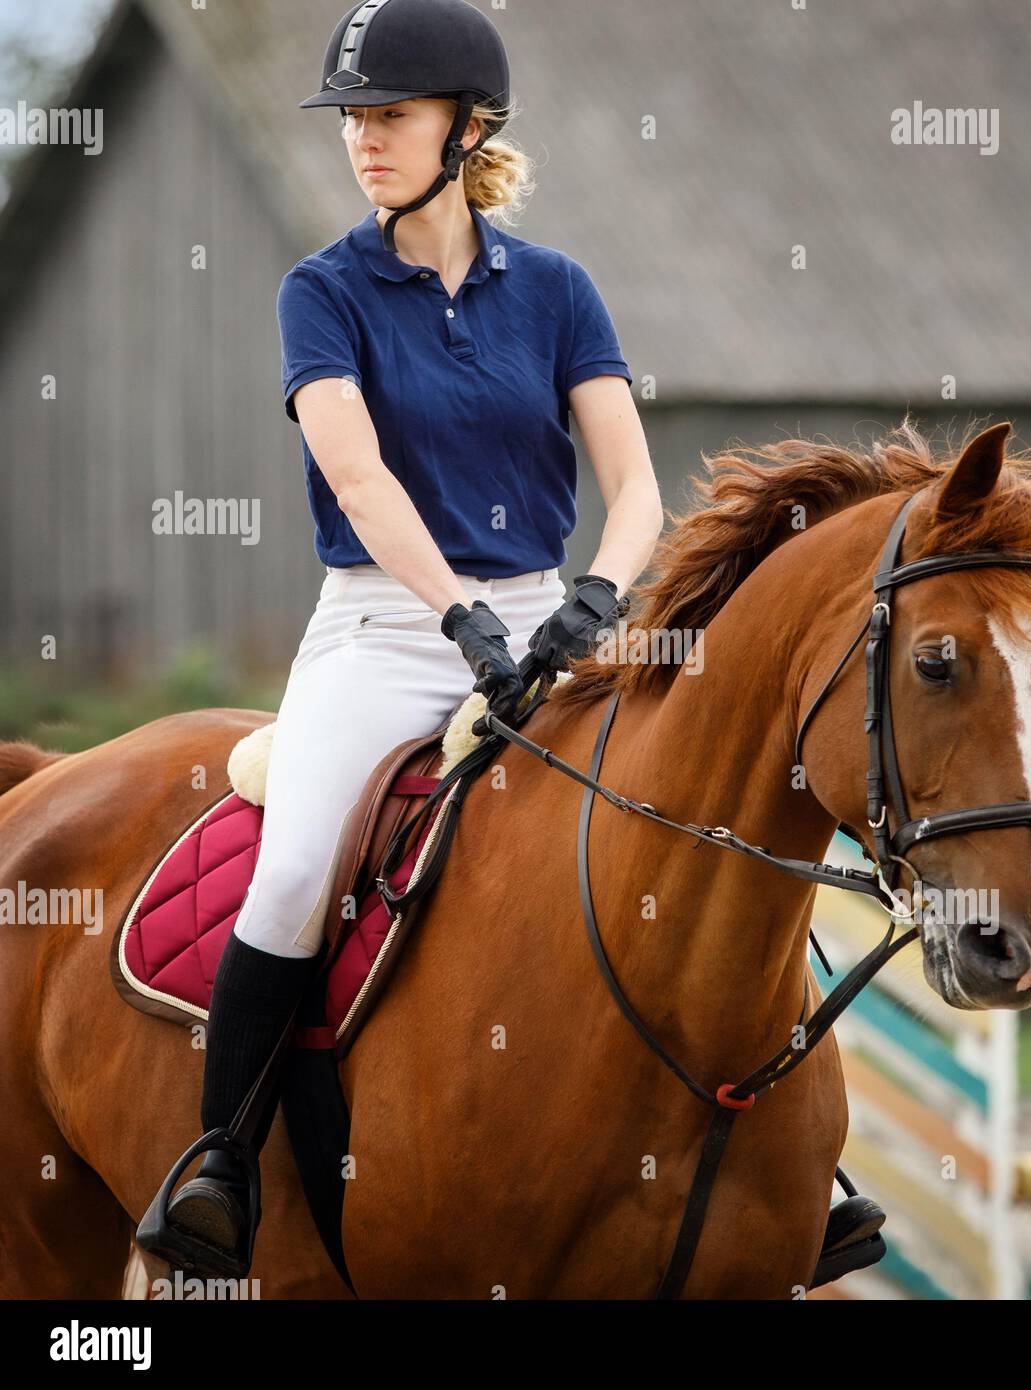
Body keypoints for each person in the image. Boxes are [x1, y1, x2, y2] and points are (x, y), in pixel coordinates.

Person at [136, 0, 660, 1277]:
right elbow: (361, 480)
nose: (363, 141)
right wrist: (460, 614)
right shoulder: (322, 291)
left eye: (389, 117)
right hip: (384, 624)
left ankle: (793, 1153)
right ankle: (219, 1161)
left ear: (465, 130)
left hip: (545, 614)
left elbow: (636, 484)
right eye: (353, 120)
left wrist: (595, 593)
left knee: (679, 810)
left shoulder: (556, 290)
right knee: (300, 861)